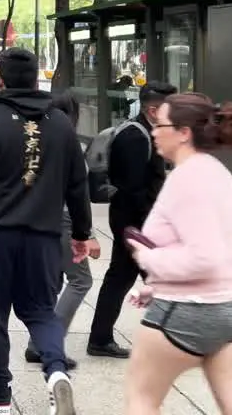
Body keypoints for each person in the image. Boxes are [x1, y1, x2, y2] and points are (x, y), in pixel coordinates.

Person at [0, 48, 92, 415]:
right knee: (41, 311)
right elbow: (78, 185)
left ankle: (0, 399)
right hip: (43, 237)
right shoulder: (60, 124)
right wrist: (81, 234)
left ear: (2, 79)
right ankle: (56, 373)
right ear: (36, 78)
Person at [124, 93, 232, 415]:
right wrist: (157, 286)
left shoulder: (188, 179)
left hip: (189, 313)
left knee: (140, 398)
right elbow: (215, 248)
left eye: (161, 124)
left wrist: (148, 260)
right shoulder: (216, 172)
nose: (154, 130)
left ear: (184, 132)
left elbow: (205, 257)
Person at [87, 81, 178, 359]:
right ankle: (175, 340)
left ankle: (101, 338)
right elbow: (134, 190)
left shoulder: (143, 132)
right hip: (136, 224)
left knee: (120, 278)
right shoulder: (136, 138)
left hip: (132, 222)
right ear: (153, 109)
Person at [25, 90, 100, 369]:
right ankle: (48, 344)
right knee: (80, 281)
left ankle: (39, 343)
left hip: (42, 220)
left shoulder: (38, 142)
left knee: (53, 283)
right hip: (65, 220)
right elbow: (76, 195)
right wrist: (87, 234)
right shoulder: (67, 146)